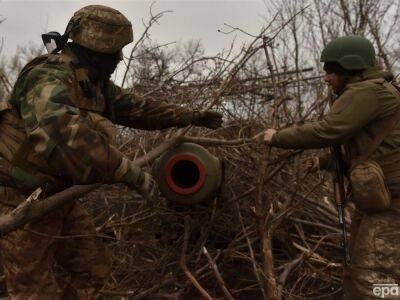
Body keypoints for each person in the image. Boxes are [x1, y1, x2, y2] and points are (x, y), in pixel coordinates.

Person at [0, 5, 222, 299]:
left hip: (55, 198)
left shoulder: (91, 82)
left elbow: (138, 108)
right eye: (114, 51)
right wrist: (127, 171)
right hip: (17, 200)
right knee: (33, 291)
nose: (119, 58)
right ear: (93, 50)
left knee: (94, 270)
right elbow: (64, 133)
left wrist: (190, 116)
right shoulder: (48, 77)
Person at [264, 36, 400, 299]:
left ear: (349, 69)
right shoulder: (376, 90)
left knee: (373, 280)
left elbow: (329, 131)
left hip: (393, 203)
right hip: (380, 201)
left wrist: (277, 137)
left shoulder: (367, 92)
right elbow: (372, 149)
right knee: (355, 272)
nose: (326, 77)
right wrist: (324, 163)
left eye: (331, 70)